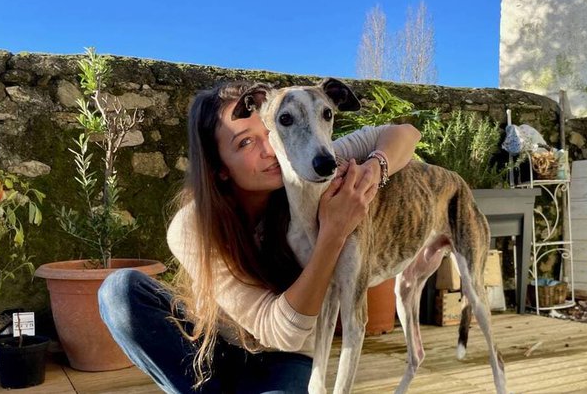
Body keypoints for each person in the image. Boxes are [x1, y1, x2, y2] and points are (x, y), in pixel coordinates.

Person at [98, 81, 421, 394]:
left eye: (270, 131)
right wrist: (333, 233)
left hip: (285, 359)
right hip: (212, 345)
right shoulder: (190, 226)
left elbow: (405, 134)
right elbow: (273, 326)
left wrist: (376, 169)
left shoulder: (304, 158)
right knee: (119, 290)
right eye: (245, 143)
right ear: (220, 167)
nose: (271, 149)